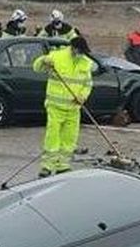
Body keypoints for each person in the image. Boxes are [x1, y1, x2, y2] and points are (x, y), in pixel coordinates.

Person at [32, 35, 100, 176]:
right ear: (73, 48)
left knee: (69, 138)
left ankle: (63, 165)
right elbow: (36, 67)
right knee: (53, 137)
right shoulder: (56, 57)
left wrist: (83, 96)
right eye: (79, 51)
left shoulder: (85, 62)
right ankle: (47, 166)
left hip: (74, 108)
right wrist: (44, 60)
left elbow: (88, 84)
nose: (81, 54)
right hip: (55, 106)